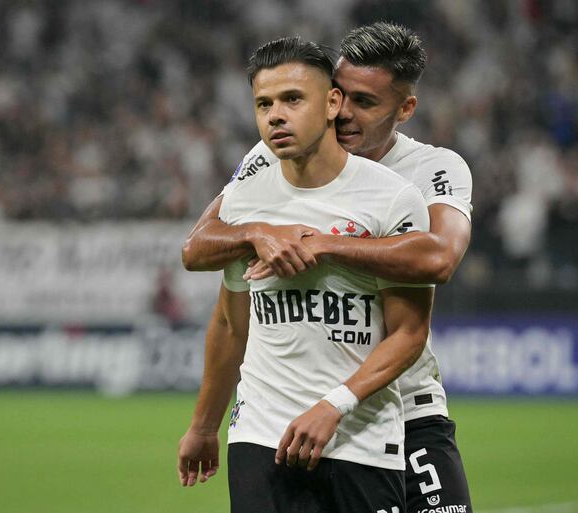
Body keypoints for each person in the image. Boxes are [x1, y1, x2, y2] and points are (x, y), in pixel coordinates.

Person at [181, 22, 474, 513]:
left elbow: (439, 257)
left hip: (404, 401)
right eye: (339, 93)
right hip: (292, 410)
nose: (344, 113)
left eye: (366, 102)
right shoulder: (271, 159)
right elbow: (202, 243)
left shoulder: (430, 170)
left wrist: (327, 246)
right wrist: (257, 233)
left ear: (405, 109)